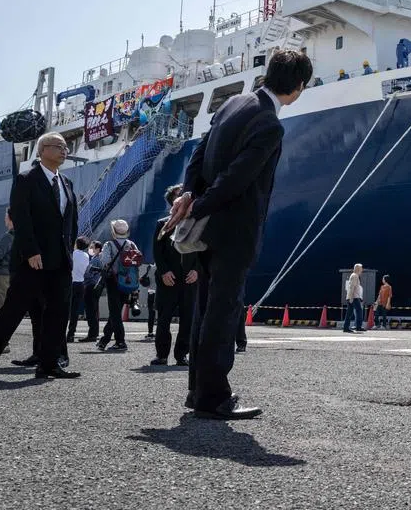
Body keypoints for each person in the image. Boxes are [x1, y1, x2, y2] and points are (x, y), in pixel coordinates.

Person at [166, 49, 312, 419]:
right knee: (224, 311)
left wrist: (188, 193)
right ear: (298, 87)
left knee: (205, 309)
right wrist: (197, 205)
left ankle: (197, 391)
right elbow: (238, 179)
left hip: (209, 229)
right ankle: (214, 396)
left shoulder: (234, 102)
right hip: (234, 229)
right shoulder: (269, 123)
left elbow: (198, 154)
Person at [0, 133, 79, 380]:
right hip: (33, 259)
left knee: (57, 313)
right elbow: (21, 218)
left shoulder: (66, 183)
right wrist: (31, 250)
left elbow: (71, 222)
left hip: (60, 260)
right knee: (13, 310)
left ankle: (49, 363)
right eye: (58, 146)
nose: (64, 150)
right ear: (42, 151)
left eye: (66, 147)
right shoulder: (26, 179)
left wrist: (70, 250)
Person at [151, 185, 197, 366]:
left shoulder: (196, 223)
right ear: (173, 201)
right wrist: (163, 271)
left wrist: (197, 271)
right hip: (167, 280)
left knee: (188, 320)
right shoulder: (163, 224)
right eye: (181, 195)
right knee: (164, 319)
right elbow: (157, 251)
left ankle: (181, 355)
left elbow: (202, 251)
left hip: (189, 279)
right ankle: (161, 355)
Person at [96, 220, 137, 352]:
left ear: (113, 231)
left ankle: (120, 341)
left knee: (114, 312)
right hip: (127, 281)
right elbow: (137, 261)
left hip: (113, 281)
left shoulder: (109, 244)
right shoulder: (131, 244)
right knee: (116, 311)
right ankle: (105, 339)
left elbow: (105, 261)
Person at [66, 237, 89, 342]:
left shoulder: (72, 253)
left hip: (70, 283)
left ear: (76, 244)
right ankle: (71, 334)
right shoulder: (86, 256)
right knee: (75, 311)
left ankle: (60, 333)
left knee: (65, 309)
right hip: (81, 284)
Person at [80, 240, 103, 342]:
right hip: (96, 286)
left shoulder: (95, 260)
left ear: (98, 249)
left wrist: (84, 276)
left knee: (90, 311)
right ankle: (94, 332)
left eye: (92, 247)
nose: (90, 249)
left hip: (91, 286)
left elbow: (88, 274)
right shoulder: (99, 259)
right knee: (94, 310)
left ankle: (92, 334)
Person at [342, 264, 365, 333]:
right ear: (357, 269)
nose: (362, 270)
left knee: (349, 313)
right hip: (354, 297)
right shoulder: (355, 276)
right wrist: (351, 297)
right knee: (359, 311)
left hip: (353, 296)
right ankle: (358, 327)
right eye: (361, 268)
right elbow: (352, 287)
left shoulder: (355, 275)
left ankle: (346, 327)